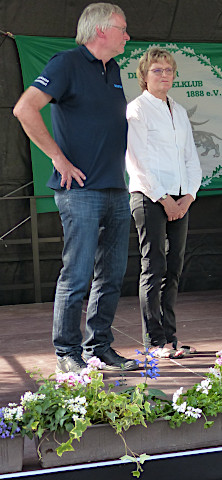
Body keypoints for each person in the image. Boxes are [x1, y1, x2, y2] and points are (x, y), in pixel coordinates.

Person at [12, 3, 138, 373]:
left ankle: (99, 346)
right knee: (78, 273)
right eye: (122, 28)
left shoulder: (112, 69)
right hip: (80, 190)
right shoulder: (66, 63)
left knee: (112, 274)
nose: (127, 36)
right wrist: (57, 158)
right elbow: (24, 108)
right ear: (101, 30)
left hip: (116, 188)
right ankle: (67, 352)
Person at [126, 47, 202, 359]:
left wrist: (188, 196)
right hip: (148, 198)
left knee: (174, 269)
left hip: (180, 199)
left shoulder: (179, 111)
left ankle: (171, 339)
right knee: (154, 267)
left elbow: (191, 157)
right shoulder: (137, 110)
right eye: (157, 70)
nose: (164, 75)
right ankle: (154, 342)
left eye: (168, 70)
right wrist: (165, 200)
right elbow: (138, 160)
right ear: (143, 77)